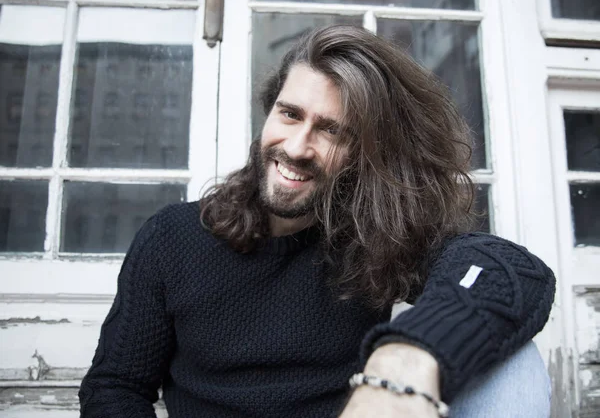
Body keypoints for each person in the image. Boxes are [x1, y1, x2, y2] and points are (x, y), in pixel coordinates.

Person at [78, 25, 555, 418]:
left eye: (332, 130)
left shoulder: (371, 238)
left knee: (514, 362)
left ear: (367, 155)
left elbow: (509, 271)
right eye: (290, 115)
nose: (297, 147)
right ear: (269, 112)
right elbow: (115, 387)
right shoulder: (173, 238)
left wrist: (408, 354)